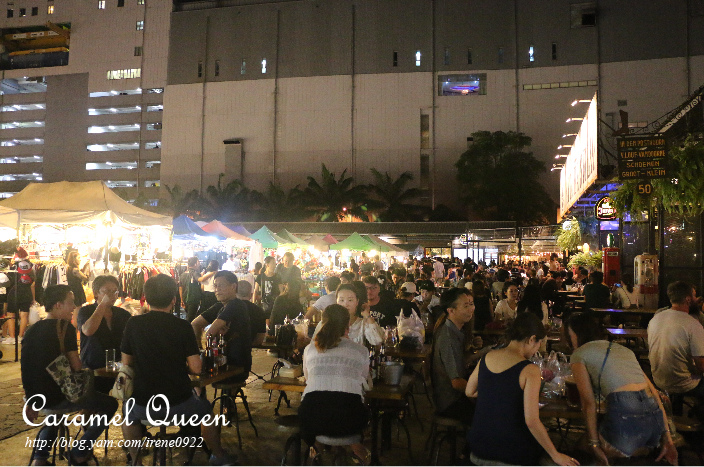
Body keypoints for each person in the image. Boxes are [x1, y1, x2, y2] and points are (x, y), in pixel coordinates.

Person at [121, 274, 235, 466]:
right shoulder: (182, 326)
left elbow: (126, 361)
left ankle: (136, 461)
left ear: (146, 298)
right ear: (173, 299)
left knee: (128, 414)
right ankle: (218, 456)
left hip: (143, 404)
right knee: (207, 412)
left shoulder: (133, 324)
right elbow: (196, 367)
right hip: (178, 404)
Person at [22, 285, 118, 466]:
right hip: (61, 396)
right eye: (71, 303)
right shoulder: (64, 328)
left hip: (39, 397)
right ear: (58, 305)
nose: (74, 306)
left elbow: (26, 368)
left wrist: (31, 400)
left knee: (54, 416)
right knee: (110, 404)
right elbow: (76, 365)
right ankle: (80, 451)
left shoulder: (31, 330)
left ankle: (40, 458)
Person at [466, 313, 577, 466]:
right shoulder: (529, 370)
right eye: (539, 343)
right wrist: (556, 455)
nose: (537, 348)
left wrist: (498, 394)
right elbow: (532, 421)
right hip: (509, 454)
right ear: (531, 339)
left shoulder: (488, 357)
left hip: (477, 448)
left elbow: (469, 391)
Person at [567, 312, 677, 465]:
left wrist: (594, 444)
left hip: (626, 421)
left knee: (580, 447)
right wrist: (668, 439)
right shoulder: (624, 351)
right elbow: (654, 394)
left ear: (576, 334)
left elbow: (588, 403)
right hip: (654, 430)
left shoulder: (579, 354)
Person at [299, 304, 371, 463]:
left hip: (311, 416)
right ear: (348, 325)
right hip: (349, 418)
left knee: (321, 414)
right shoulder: (360, 350)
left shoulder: (310, 349)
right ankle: (360, 454)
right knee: (351, 415)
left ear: (322, 323)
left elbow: (307, 378)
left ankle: (316, 453)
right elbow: (364, 380)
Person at [648, 281, 704, 410]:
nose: (697, 299)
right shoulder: (693, 324)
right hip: (682, 384)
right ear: (688, 299)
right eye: (695, 296)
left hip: (658, 379)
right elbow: (701, 367)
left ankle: (677, 414)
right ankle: (699, 422)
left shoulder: (656, 318)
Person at [191, 271, 252, 379]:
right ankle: (199, 395)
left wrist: (204, 345)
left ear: (233, 287)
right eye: (215, 286)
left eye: (221, 285)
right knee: (194, 374)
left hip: (235, 364)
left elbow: (210, 332)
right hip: (219, 362)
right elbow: (195, 324)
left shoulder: (236, 305)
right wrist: (199, 348)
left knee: (195, 374)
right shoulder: (219, 306)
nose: (217, 289)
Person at [77, 275, 132, 393]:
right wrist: (102, 304)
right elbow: (88, 330)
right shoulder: (86, 311)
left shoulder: (122, 314)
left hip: (117, 367)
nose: (113, 295)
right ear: (96, 293)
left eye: (115, 291)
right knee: (92, 406)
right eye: (108, 291)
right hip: (93, 368)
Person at [431, 287, 476, 424]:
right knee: (495, 412)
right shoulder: (448, 337)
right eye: (466, 305)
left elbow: (460, 362)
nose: (471, 309)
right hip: (451, 402)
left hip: (455, 397)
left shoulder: (456, 330)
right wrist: (483, 393)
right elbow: (456, 383)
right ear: (451, 311)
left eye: (472, 304)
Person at [313, 283, 383, 346]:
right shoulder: (326, 323)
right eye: (341, 300)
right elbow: (314, 345)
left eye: (350, 300)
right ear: (336, 301)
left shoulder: (362, 324)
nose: (346, 304)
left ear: (357, 302)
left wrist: (367, 315)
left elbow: (377, 341)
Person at [4, 248, 36, 344]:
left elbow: (8, 281)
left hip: (14, 292)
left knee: (11, 314)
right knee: (24, 315)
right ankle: (21, 337)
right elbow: (33, 285)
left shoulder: (13, 267)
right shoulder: (32, 268)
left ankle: (12, 338)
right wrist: (33, 299)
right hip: (26, 293)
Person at [254, 256, 282, 323]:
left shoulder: (277, 277)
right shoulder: (260, 277)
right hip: (264, 306)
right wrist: (253, 303)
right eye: (273, 263)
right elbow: (256, 291)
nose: (275, 265)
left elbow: (281, 292)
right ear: (267, 265)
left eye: (275, 263)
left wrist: (279, 303)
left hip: (275, 306)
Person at [179, 256, 202, 322]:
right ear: (195, 264)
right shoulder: (195, 273)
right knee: (191, 319)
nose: (199, 264)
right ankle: (188, 331)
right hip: (193, 299)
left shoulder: (183, 274)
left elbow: (180, 287)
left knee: (189, 316)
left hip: (185, 298)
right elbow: (200, 280)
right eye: (198, 262)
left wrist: (181, 299)